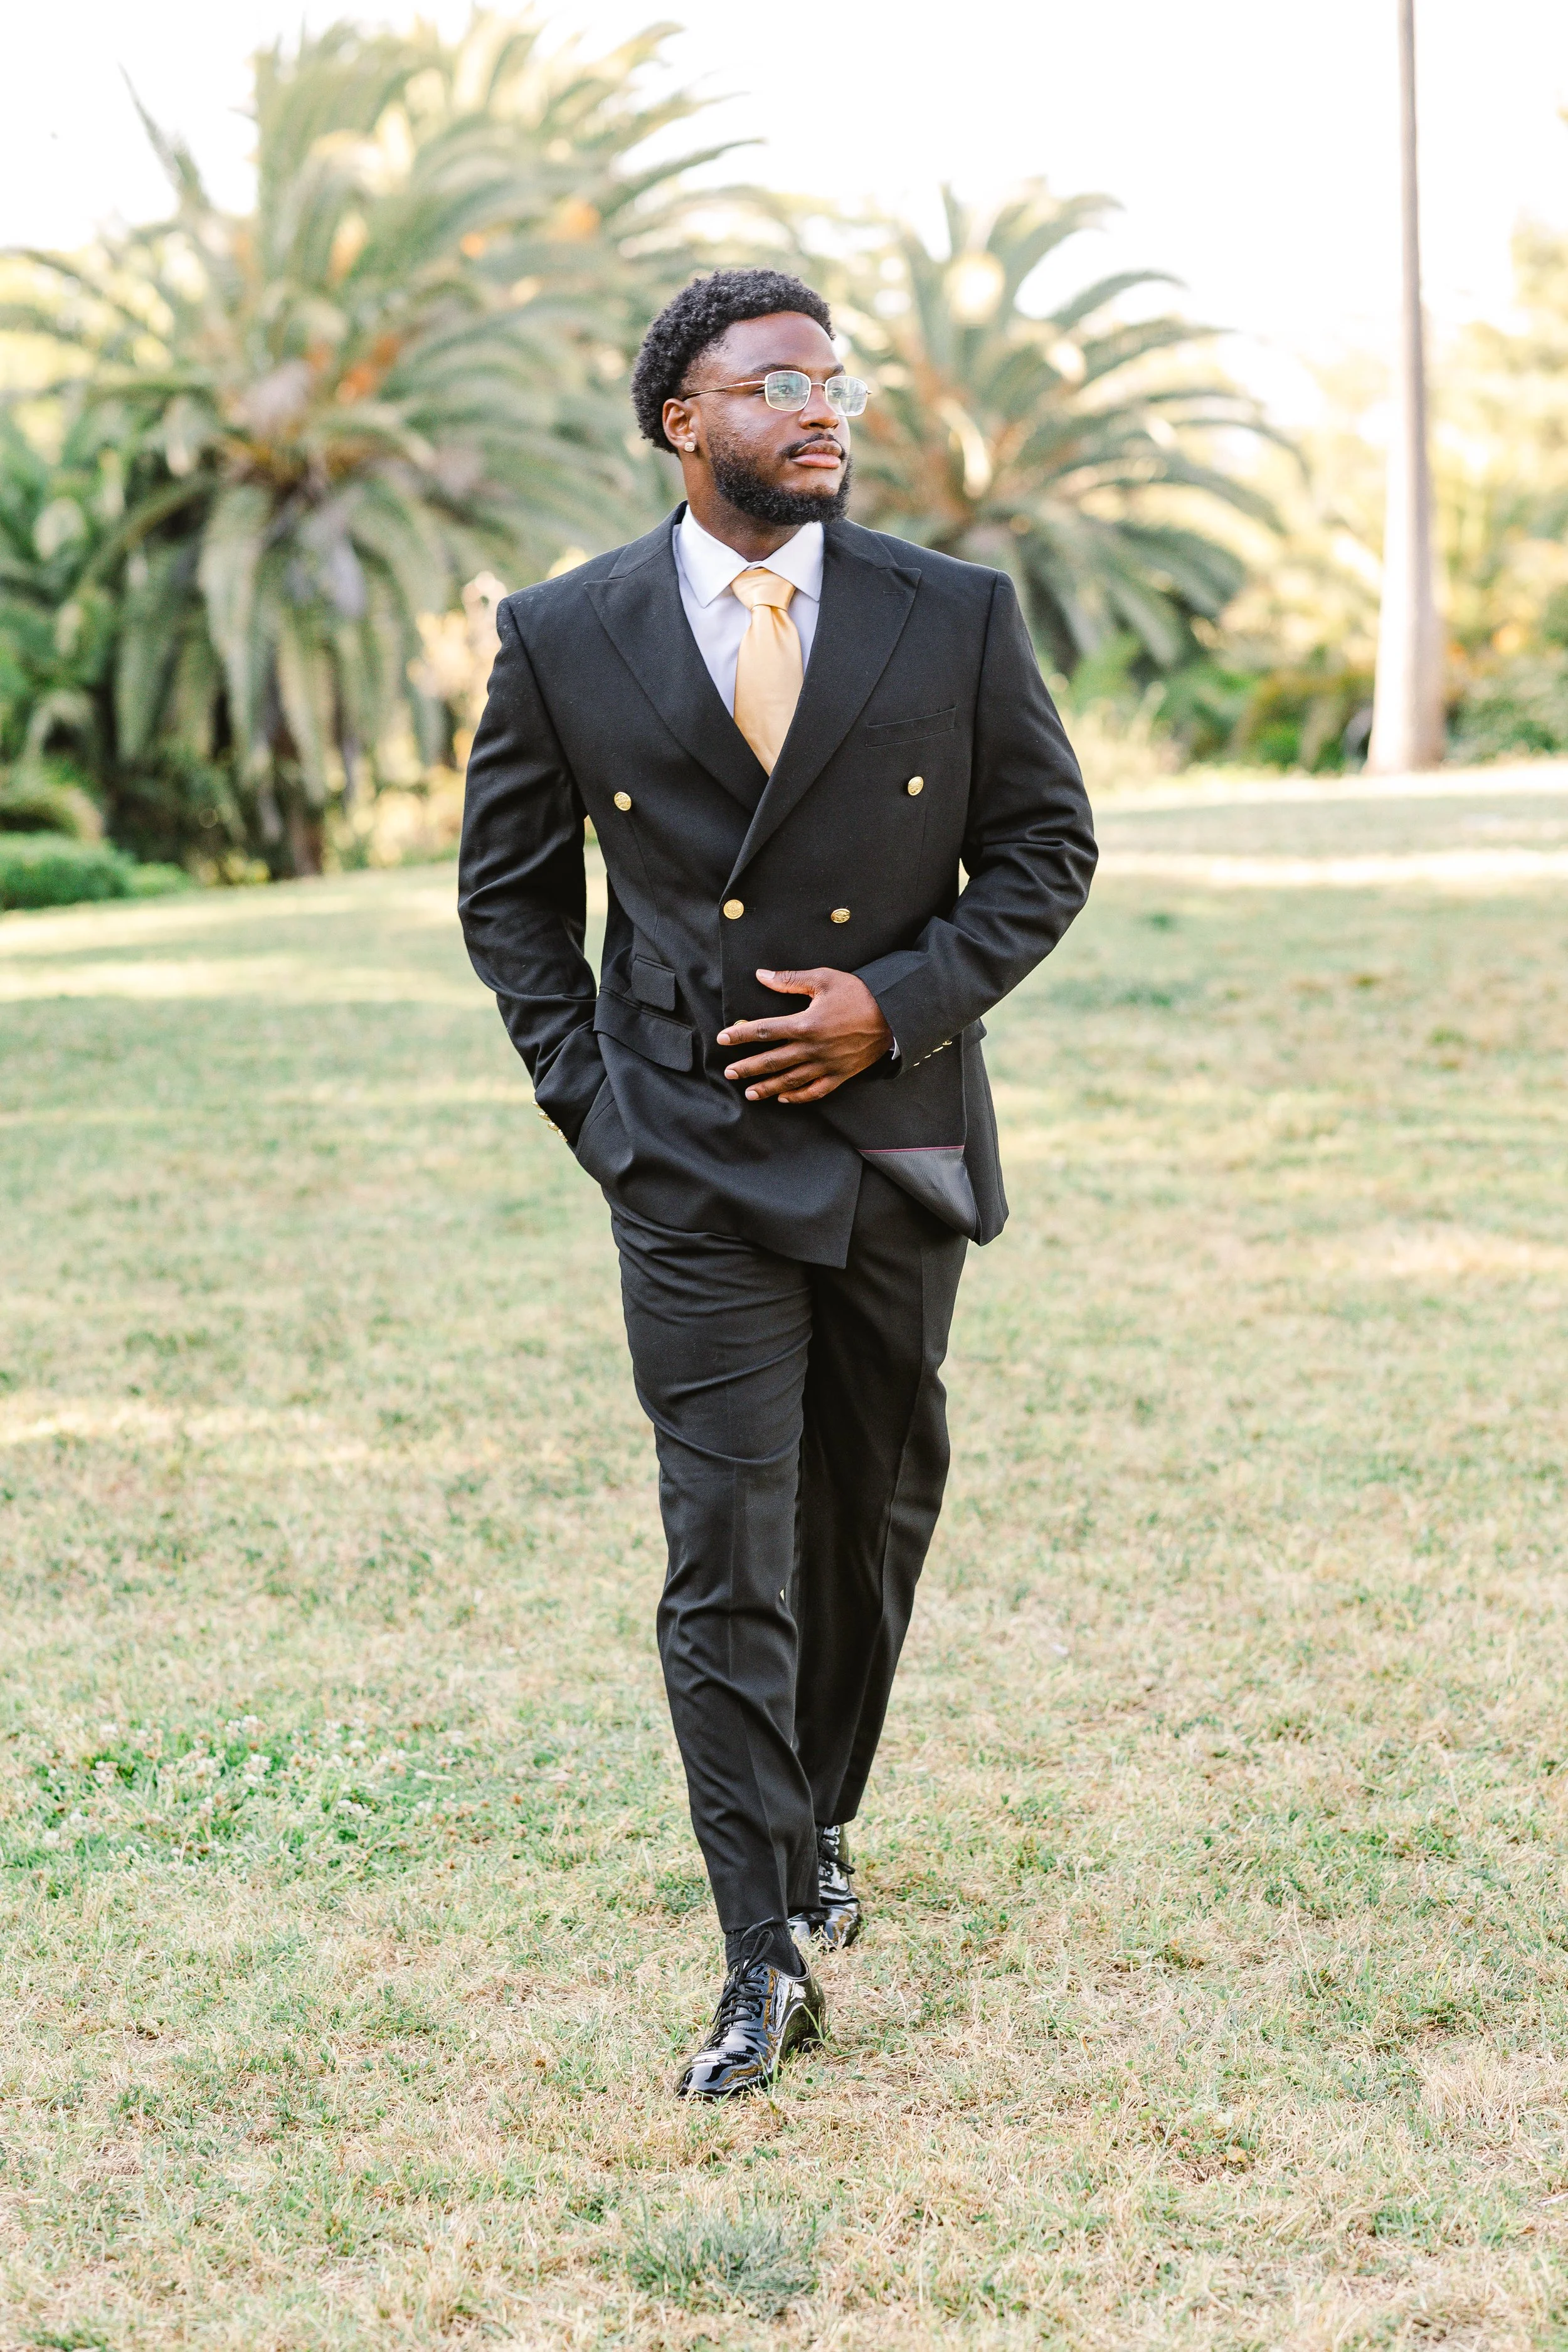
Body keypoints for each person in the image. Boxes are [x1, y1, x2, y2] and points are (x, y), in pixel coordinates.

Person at [459, 267, 1096, 2099]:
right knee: (722, 1552)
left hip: (893, 1142)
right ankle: (758, 1947)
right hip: (686, 1159)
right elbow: (509, 896)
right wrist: (596, 1108)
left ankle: (818, 1813)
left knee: (868, 1518)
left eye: (835, 382)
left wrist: (889, 1006)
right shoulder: (564, 633)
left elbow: (1045, 846)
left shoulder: (949, 616)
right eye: (778, 383)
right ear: (685, 419)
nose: (823, 409)